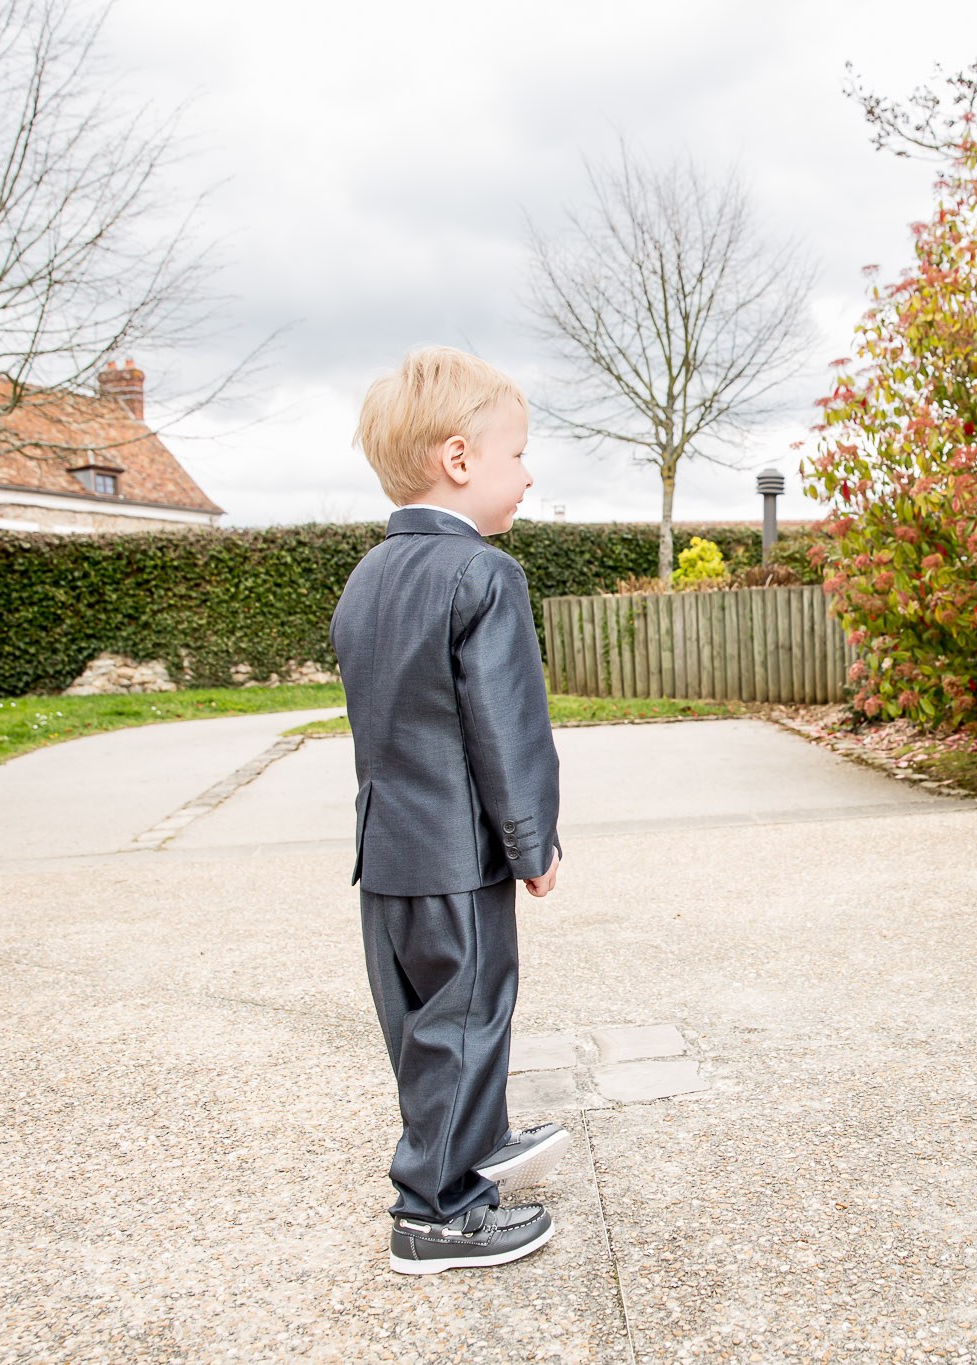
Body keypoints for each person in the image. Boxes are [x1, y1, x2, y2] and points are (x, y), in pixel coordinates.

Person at [331, 347, 569, 1273]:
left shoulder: (367, 578)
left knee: (424, 1023)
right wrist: (531, 841)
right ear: (460, 459)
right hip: (458, 857)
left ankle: (470, 1142)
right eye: (518, 455)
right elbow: (506, 731)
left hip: (385, 854)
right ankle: (437, 1212)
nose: (528, 473)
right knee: (468, 1015)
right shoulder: (484, 577)